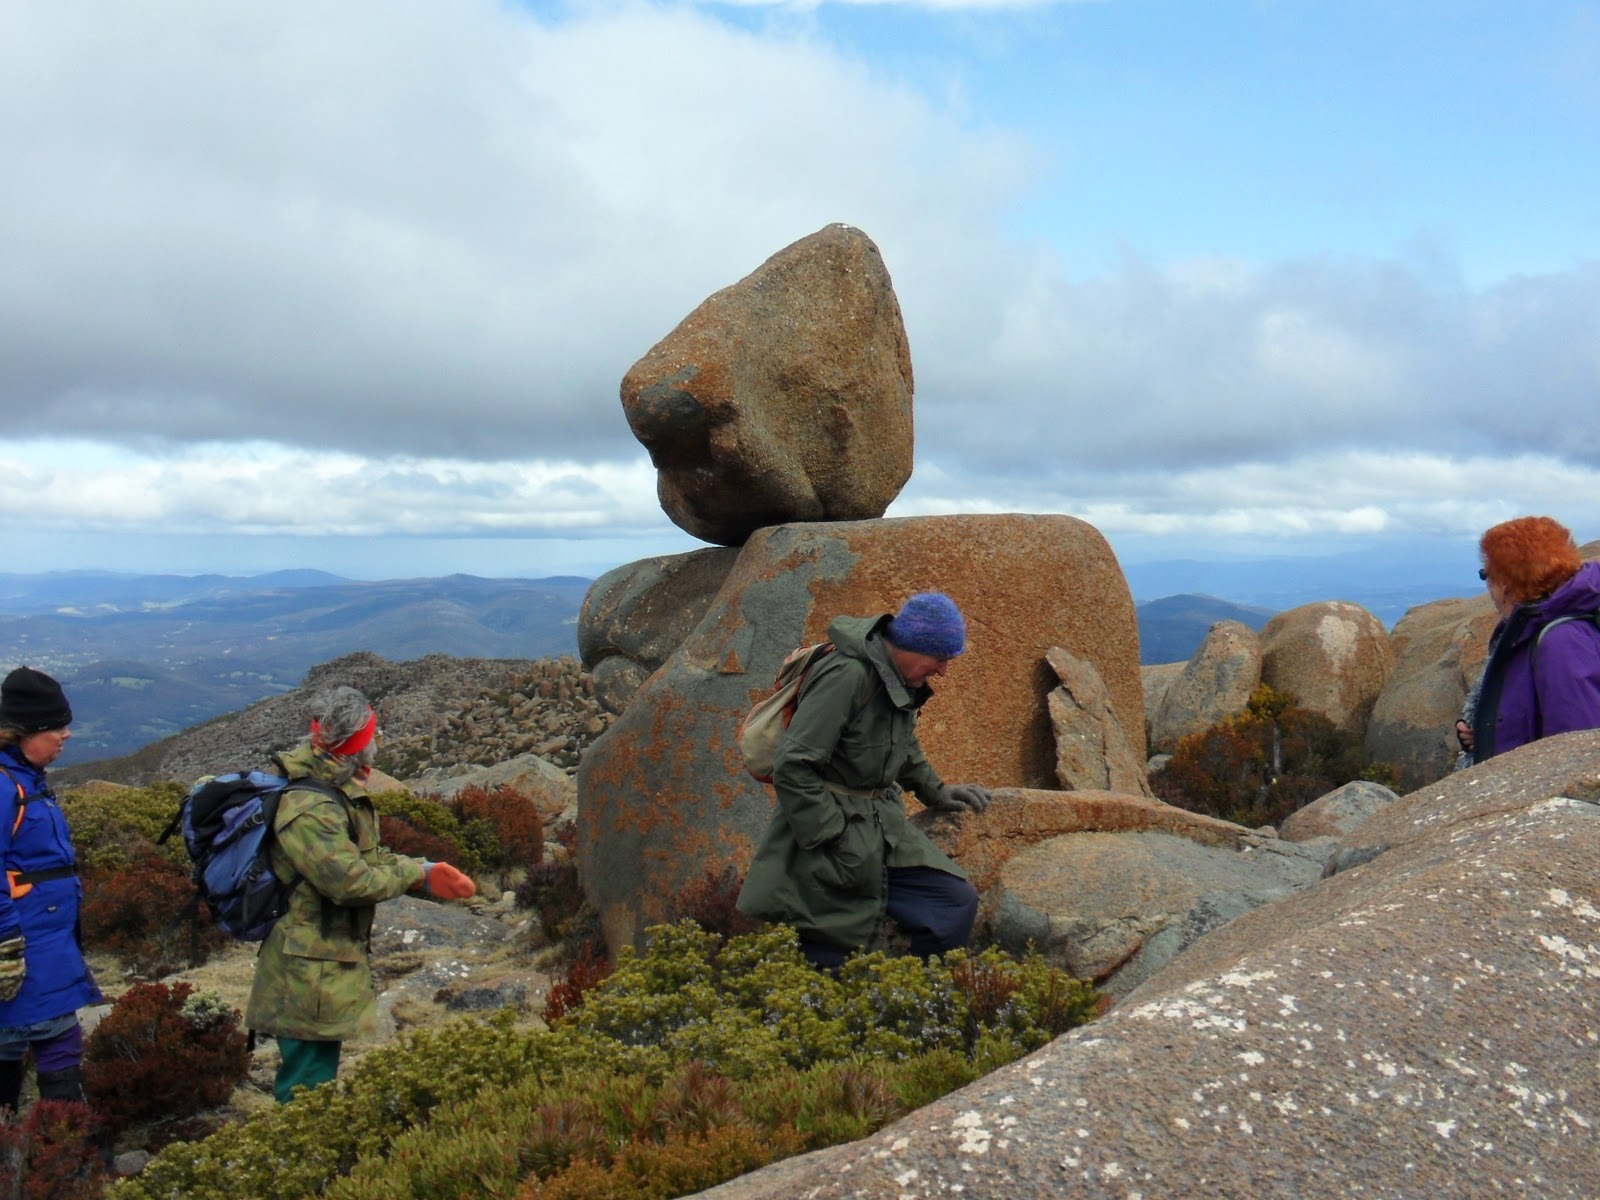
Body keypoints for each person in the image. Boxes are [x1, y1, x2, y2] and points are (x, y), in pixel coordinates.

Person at [244, 684, 476, 1103]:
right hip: (304, 969)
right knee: (307, 1084)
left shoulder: (335, 788)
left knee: (315, 1073)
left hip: (322, 961)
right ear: (355, 746)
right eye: (372, 736)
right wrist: (412, 875)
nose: (378, 744)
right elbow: (349, 882)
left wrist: (424, 870)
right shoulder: (309, 806)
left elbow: (366, 857)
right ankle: (296, 1162)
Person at [736, 592, 993, 969]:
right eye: (940, 659)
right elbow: (794, 765)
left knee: (953, 902)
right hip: (827, 833)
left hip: (879, 826)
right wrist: (833, 835)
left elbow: (902, 743)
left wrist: (936, 791)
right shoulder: (848, 675)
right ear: (911, 646)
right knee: (833, 951)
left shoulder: (896, 677)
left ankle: (921, 1006)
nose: (943, 672)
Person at [0, 666, 100, 1111]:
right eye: (56, 727)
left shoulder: (22, 781)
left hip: (43, 940)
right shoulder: (5, 787)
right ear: (25, 732)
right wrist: (6, 944)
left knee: (9, 1046)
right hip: (27, 944)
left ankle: (25, 1159)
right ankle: (65, 1156)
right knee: (57, 1044)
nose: (65, 736)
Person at [1459, 516, 1600, 766]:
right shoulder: (1526, 629)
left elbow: (1578, 750)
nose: (1488, 585)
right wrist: (1484, 732)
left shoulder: (1561, 642)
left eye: (1486, 574)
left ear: (1507, 582)